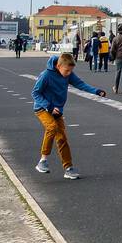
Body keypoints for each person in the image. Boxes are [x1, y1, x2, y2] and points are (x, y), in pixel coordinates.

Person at [32, 52, 105, 180]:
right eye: (67, 71)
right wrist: (48, 106)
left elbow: (80, 84)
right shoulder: (46, 75)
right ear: (58, 66)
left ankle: (68, 168)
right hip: (43, 108)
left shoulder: (67, 73)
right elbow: (35, 93)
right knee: (52, 127)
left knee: (62, 139)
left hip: (57, 111)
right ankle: (43, 160)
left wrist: (96, 91)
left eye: (71, 71)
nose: (68, 74)